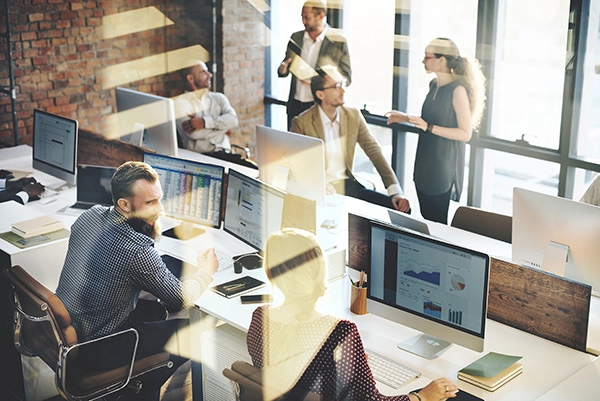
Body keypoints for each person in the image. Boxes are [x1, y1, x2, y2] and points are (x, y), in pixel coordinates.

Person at [55, 161, 219, 400]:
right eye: (151, 203)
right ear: (124, 204)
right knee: (195, 332)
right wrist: (206, 271)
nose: (160, 209)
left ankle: (138, 380)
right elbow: (180, 299)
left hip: (76, 327)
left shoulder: (89, 215)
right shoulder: (136, 250)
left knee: (156, 310)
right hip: (101, 345)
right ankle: (140, 387)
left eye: (159, 199)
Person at [247, 227, 458, 401]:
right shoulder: (340, 332)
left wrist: (351, 367)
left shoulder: (259, 318)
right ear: (321, 272)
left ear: (270, 274)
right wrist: (421, 397)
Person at [387, 38, 486, 224]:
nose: (423, 61)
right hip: (424, 164)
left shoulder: (457, 90)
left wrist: (429, 127)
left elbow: (465, 133)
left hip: (442, 168)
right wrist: (405, 117)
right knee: (426, 219)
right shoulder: (434, 84)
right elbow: (431, 120)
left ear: (442, 60)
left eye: (427, 56)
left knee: (437, 223)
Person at [291, 67, 410, 213]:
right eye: (336, 86)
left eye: (343, 84)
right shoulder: (302, 122)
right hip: (318, 188)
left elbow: (374, 150)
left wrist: (395, 191)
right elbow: (295, 164)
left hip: (348, 185)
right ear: (320, 94)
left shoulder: (353, 115)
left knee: (399, 209)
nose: (343, 90)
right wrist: (316, 183)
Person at [278, 0, 352, 129]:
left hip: (320, 106)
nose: (303, 21)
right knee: (293, 146)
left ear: (321, 16)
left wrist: (316, 81)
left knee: (316, 147)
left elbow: (346, 77)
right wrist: (283, 69)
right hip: (295, 104)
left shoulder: (338, 41)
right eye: (302, 17)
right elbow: (286, 65)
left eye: (307, 17)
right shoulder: (296, 38)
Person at [174, 59, 238, 155]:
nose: (210, 75)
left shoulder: (219, 98)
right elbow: (195, 134)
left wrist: (204, 122)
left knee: (252, 168)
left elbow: (233, 121)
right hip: (200, 158)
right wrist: (223, 128)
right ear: (190, 78)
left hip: (225, 153)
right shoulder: (179, 104)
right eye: (204, 72)